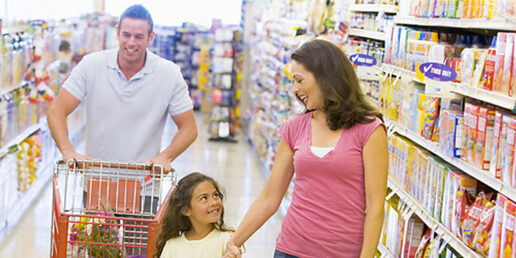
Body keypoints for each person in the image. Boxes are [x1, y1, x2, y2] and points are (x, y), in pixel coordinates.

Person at [224, 39, 389, 258]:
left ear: (325, 76)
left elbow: (375, 207)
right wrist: (234, 242)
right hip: (291, 249)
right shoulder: (295, 128)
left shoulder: (369, 130)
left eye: (299, 80)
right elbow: (270, 197)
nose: (295, 89)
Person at [47, 4, 197, 171]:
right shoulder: (92, 65)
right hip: (97, 179)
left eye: (139, 37)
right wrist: (67, 151)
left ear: (151, 37)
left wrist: (165, 157)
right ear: (117, 33)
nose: (131, 43)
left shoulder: (169, 74)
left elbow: (189, 128)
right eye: (126, 35)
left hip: (145, 183)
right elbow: (56, 110)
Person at [157, 172, 235, 258]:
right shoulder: (172, 246)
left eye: (215, 195)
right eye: (204, 198)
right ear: (186, 210)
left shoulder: (227, 240)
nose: (214, 202)